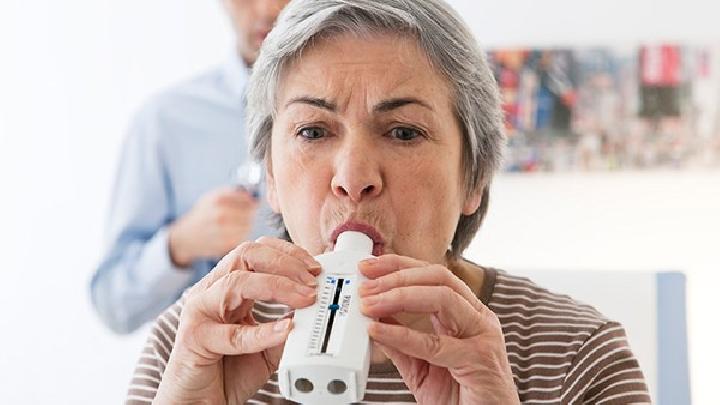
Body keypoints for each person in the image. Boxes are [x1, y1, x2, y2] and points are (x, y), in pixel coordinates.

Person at [126, 0, 652, 403]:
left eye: (403, 132)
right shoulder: (200, 343)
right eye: (312, 131)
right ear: (271, 177)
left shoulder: (578, 358)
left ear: (474, 178)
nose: (353, 179)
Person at [90, 0, 291, 334]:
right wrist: (179, 245)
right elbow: (114, 306)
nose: (268, 8)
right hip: (214, 377)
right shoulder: (165, 122)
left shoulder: (372, 112)